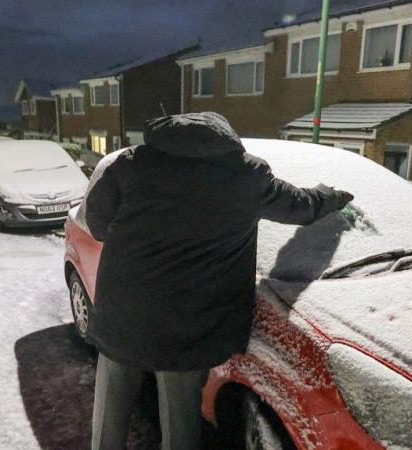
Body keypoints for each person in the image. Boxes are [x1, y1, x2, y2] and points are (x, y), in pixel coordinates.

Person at [84, 112, 353, 450]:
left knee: (110, 414)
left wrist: (137, 241)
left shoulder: (130, 164)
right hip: (188, 326)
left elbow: (96, 224)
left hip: (124, 313)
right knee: (180, 424)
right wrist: (331, 196)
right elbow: (302, 207)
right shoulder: (246, 175)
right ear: (226, 137)